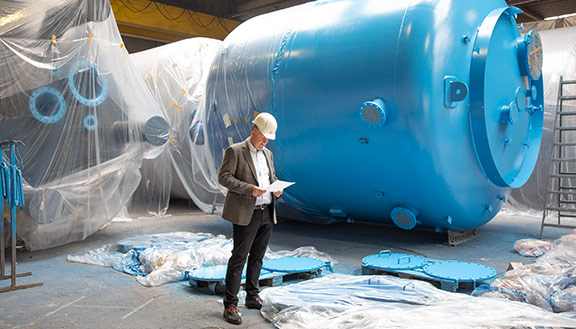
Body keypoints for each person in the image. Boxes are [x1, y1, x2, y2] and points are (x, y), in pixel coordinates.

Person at [218, 112, 283, 325]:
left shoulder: (268, 154)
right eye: (263, 137)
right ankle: (230, 304)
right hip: (246, 212)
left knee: (257, 257)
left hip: (266, 211)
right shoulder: (235, 151)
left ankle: (252, 296)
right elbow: (224, 177)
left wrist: (277, 187)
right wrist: (249, 190)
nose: (265, 142)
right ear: (253, 131)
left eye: (268, 139)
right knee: (239, 258)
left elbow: (270, 177)